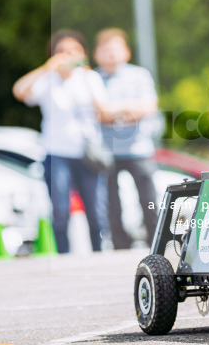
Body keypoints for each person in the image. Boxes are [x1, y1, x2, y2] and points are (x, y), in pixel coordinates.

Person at [13, 30, 108, 254]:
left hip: (87, 153)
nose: (69, 56)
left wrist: (86, 77)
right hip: (57, 152)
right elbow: (19, 91)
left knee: (96, 211)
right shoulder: (47, 80)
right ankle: (63, 255)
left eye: (74, 51)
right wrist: (47, 68)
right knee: (60, 211)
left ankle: (100, 252)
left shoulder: (90, 78)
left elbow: (103, 111)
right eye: (63, 52)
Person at [93, 28, 159, 250]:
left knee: (149, 199)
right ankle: (119, 244)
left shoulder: (139, 75)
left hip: (139, 148)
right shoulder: (93, 78)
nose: (110, 55)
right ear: (97, 54)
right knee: (111, 203)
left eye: (115, 50)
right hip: (106, 150)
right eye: (105, 50)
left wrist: (112, 113)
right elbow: (97, 113)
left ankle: (155, 239)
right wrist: (127, 111)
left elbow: (148, 107)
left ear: (126, 52)